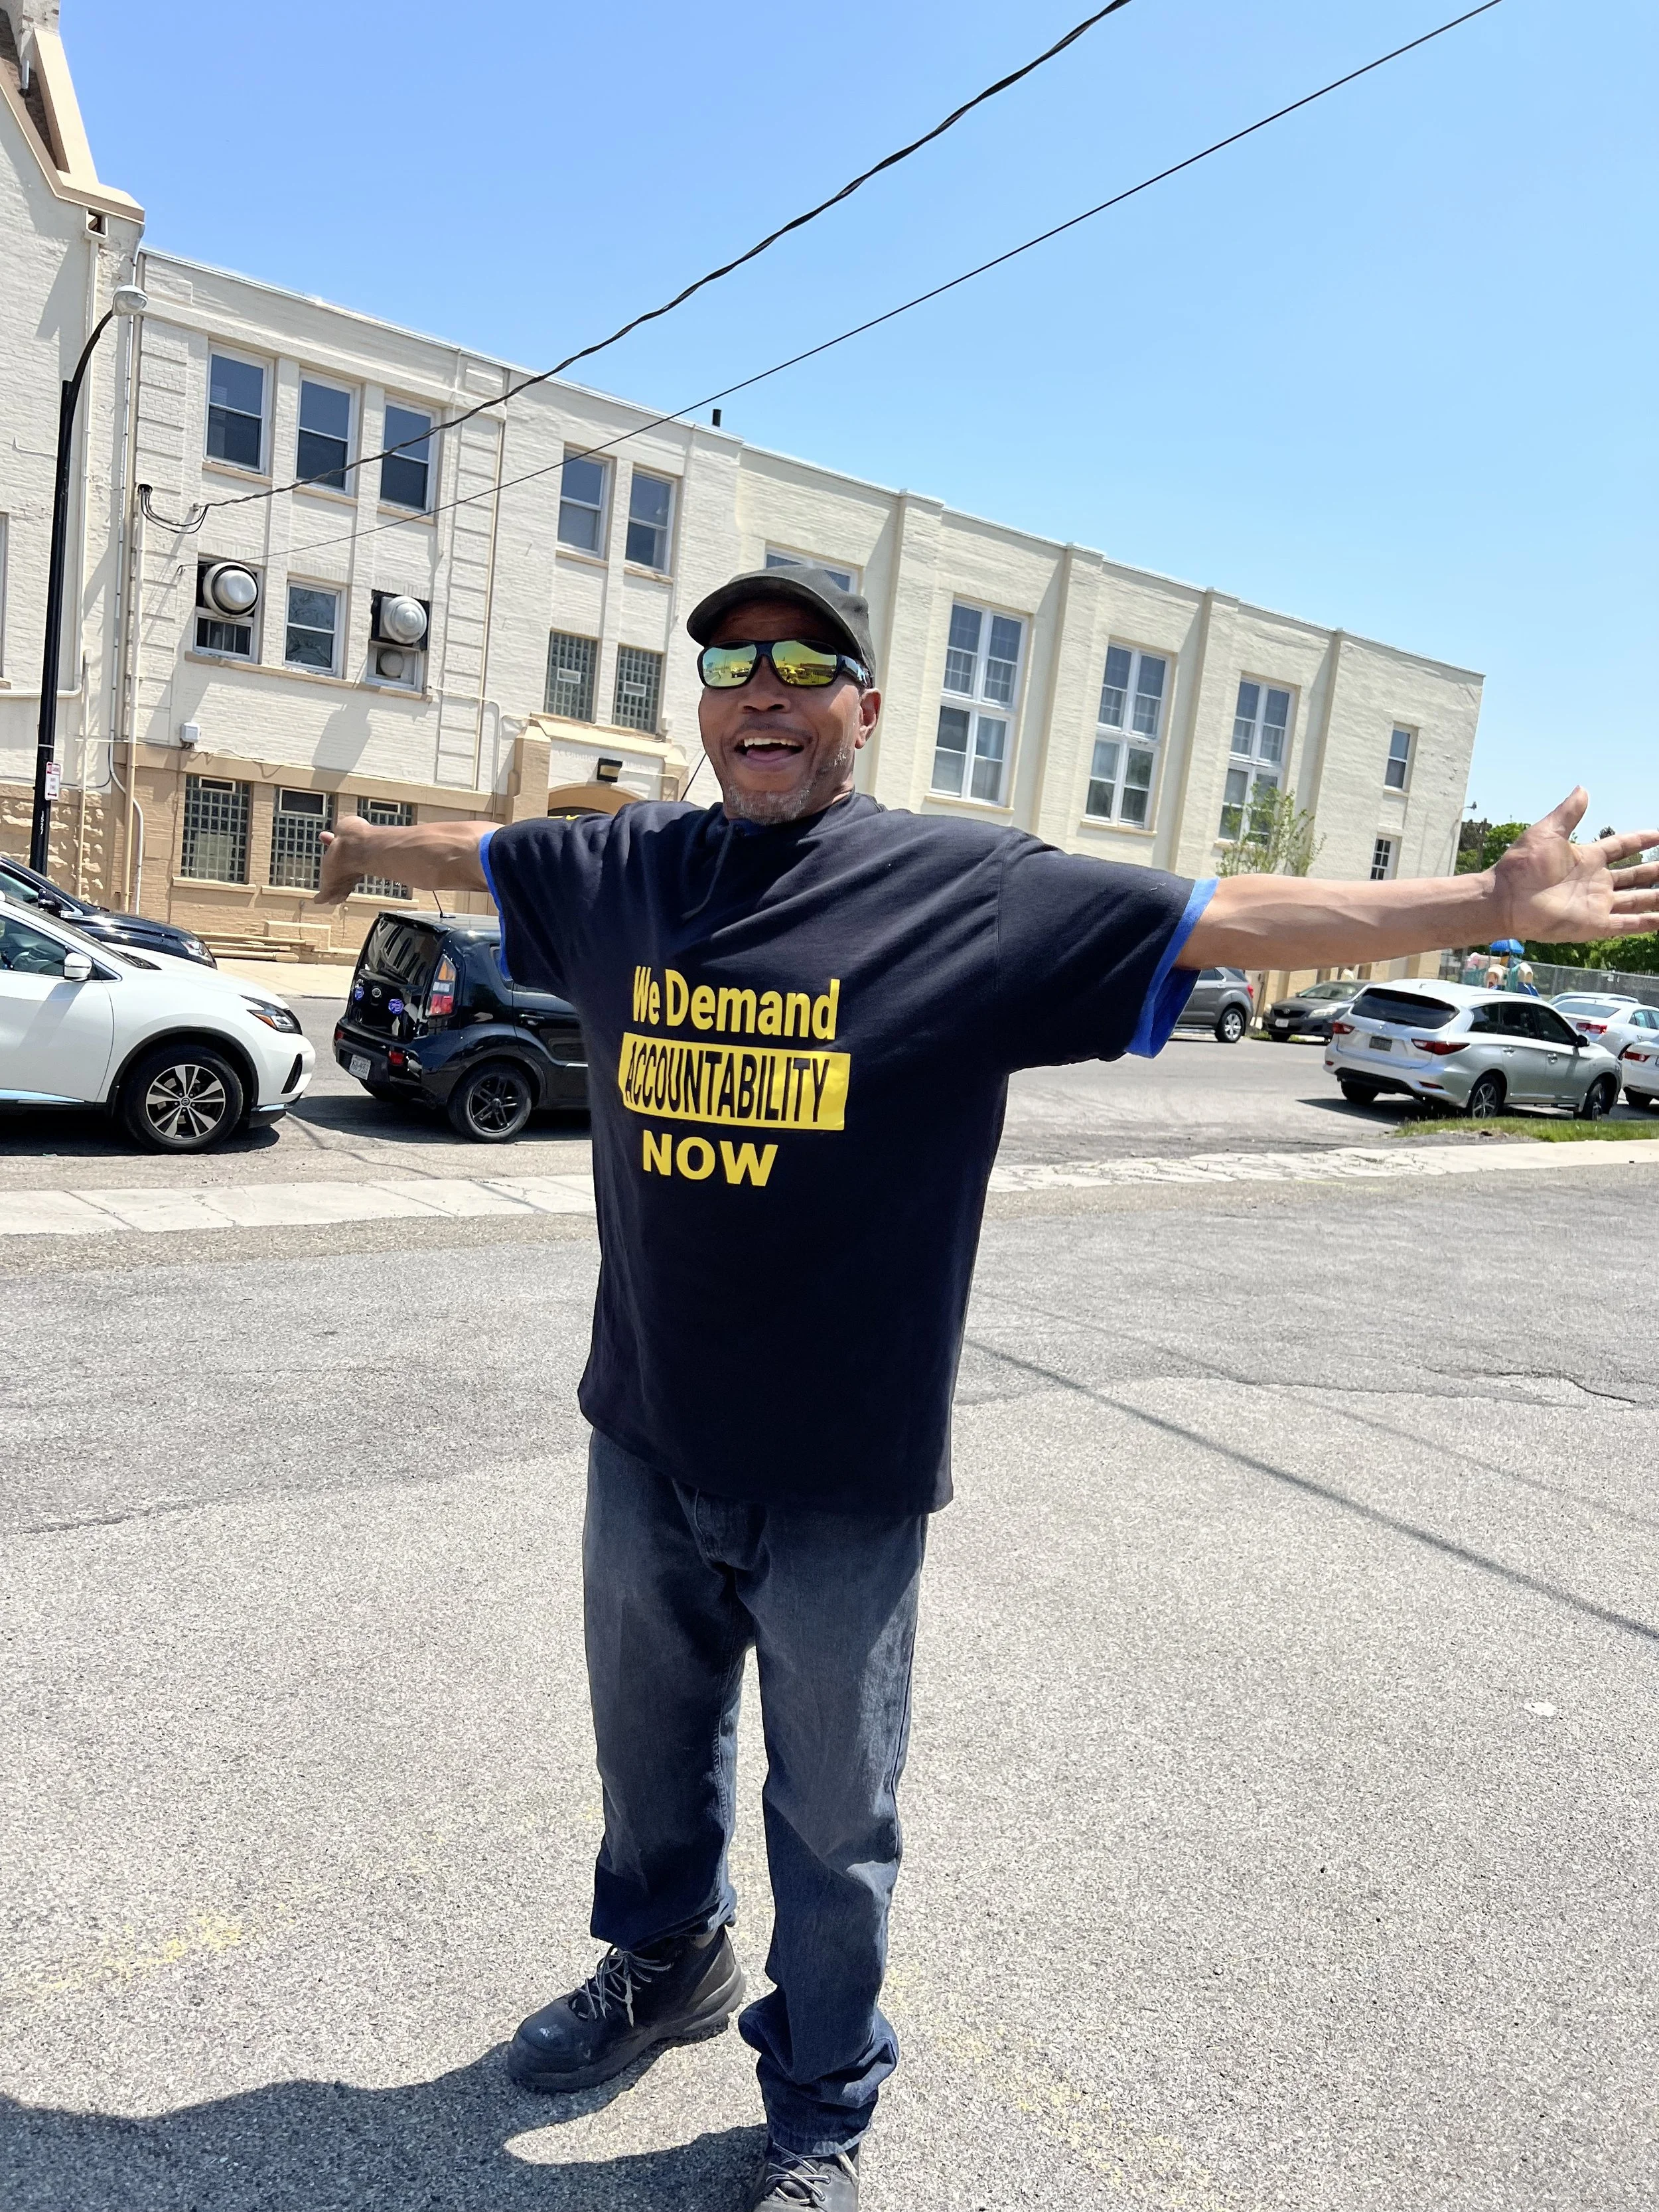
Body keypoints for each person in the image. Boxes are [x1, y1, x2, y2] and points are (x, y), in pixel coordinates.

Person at [317, 564, 1658, 2210]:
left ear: (861, 711)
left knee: (833, 1820)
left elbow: (1223, 913)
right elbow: (480, 855)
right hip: (645, 1433)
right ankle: (663, 1967)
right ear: (703, 710)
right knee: (646, 1757)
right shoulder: (623, 871)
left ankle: (818, 2107)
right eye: (733, 665)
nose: (765, 689)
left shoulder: (964, 891)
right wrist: (361, 847)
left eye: (806, 666)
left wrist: (1477, 909)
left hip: (843, 1468)